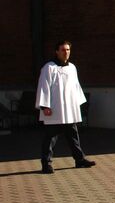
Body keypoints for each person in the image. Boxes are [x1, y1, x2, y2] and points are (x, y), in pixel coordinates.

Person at [35, 40, 96, 174]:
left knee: (73, 136)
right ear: (56, 52)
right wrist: (45, 106)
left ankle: (79, 160)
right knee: (50, 138)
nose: (66, 52)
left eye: (68, 50)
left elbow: (76, 86)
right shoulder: (49, 68)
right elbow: (43, 87)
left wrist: (78, 103)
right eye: (63, 50)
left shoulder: (72, 67)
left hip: (69, 110)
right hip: (54, 110)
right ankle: (46, 164)